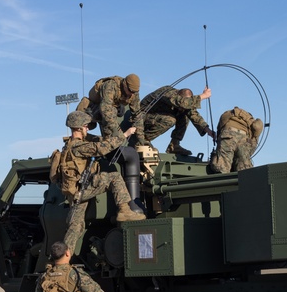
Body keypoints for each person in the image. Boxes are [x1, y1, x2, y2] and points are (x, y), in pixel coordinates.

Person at [55, 110, 145, 253]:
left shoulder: (70, 145)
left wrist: (114, 135)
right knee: (114, 177)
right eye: (86, 126)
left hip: (77, 193)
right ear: (78, 128)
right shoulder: (79, 146)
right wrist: (125, 135)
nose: (87, 129)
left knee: (75, 227)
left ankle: (62, 260)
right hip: (82, 190)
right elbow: (101, 148)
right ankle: (124, 210)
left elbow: (99, 141)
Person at [141, 85, 215, 155]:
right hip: (141, 119)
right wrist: (203, 96)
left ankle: (174, 145)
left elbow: (194, 116)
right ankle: (142, 141)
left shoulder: (182, 102)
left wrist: (208, 131)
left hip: (155, 118)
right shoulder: (167, 92)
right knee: (170, 120)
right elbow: (181, 102)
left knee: (186, 114)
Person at [78, 74, 147, 145]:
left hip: (109, 107)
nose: (132, 94)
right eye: (130, 91)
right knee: (111, 114)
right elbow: (105, 109)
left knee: (119, 111)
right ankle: (107, 143)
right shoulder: (110, 85)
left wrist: (141, 139)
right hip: (92, 107)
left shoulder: (133, 93)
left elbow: (137, 115)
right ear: (125, 85)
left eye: (134, 92)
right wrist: (116, 132)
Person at [208, 107, 264, 173]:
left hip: (227, 133)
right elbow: (252, 146)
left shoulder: (228, 114)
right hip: (244, 138)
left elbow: (220, 133)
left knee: (221, 168)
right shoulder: (252, 125)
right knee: (244, 172)